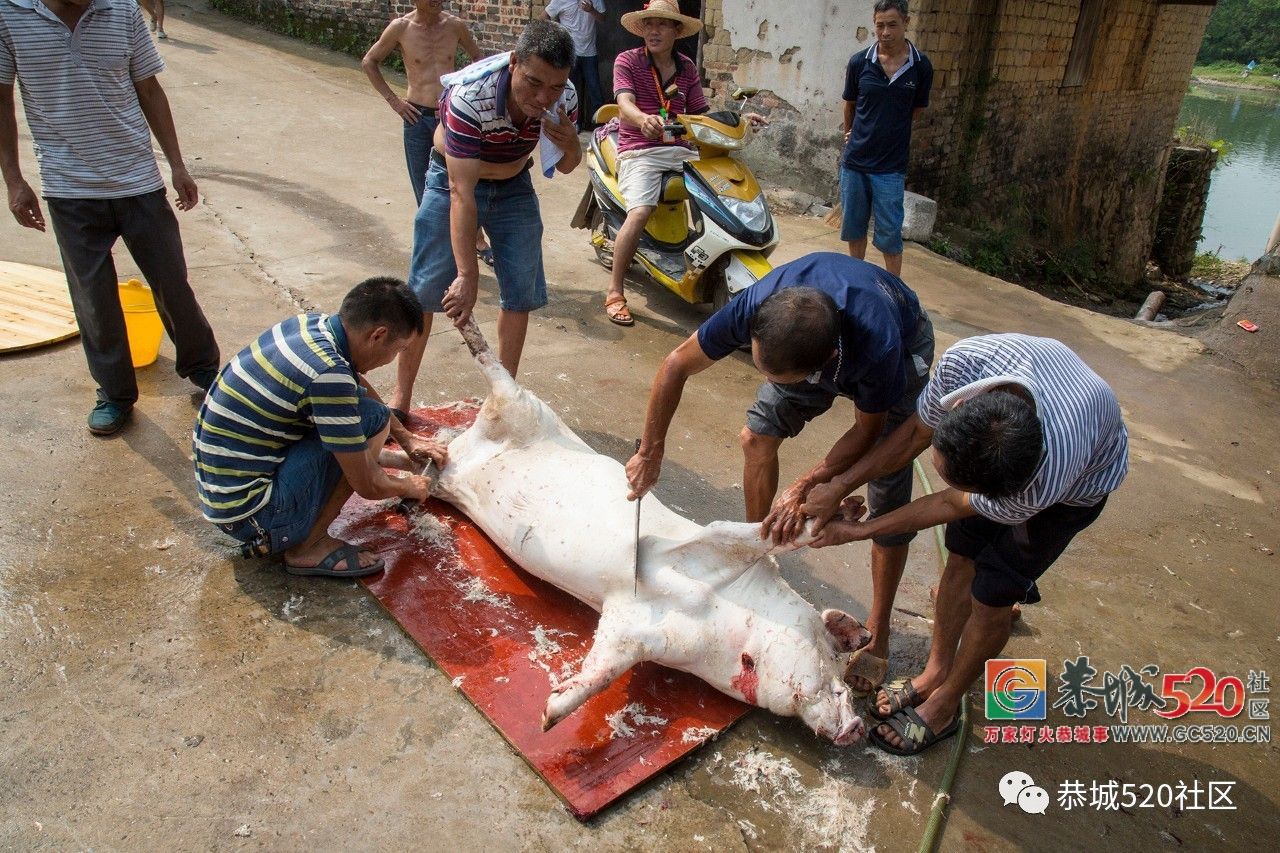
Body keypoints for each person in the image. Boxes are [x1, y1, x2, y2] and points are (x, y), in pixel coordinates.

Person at [798, 334, 1129, 755]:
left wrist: (860, 530)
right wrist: (840, 484)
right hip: (1054, 392)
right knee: (960, 559)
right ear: (958, 409)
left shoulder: (1041, 482)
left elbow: (950, 503)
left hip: (1076, 487)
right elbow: (918, 432)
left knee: (992, 593)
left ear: (1000, 490)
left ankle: (946, 703)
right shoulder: (965, 364)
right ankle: (936, 669)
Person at [626, 252, 935, 691]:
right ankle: (758, 561)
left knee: (887, 484)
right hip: (806, 351)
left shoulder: (878, 344)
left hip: (902, 349)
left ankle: (878, 634)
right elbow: (677, 363)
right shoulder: (760, 306)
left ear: (824, 362)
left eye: (780, 376)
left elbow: (869, 430)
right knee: (757, 436)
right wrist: (651, 451)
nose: (766, 378)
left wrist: (812, 483)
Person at [2, 0, 220, 436]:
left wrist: (176, 164)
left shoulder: (120, 10)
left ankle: (205, 371)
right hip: (69, 188)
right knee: (94, 298)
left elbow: (150, 89)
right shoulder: (9, 15)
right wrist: (14, 180)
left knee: (171, 281)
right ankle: (115, 394)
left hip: (138, 180)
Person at [194, 277, 447, 579]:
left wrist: (405, 439)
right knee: (372, 420)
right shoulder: (329, 375)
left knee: (367, 415)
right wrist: (407, 486)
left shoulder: (312, 327)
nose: (391, 360)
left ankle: (358, 469)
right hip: (254, 516)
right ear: (377, 336)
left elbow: (353, 383)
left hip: (224, 495)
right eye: (398, 350)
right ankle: (308, 547)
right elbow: (368, 486)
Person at [391, 19, 582, 412]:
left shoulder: (564, 97)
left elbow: (566, 167)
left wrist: (572, 145)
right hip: (452, 178)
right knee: (426, 290)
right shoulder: (469, 97)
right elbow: (463, 193)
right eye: (533, 82)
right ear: (513, 62)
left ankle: (503, 398)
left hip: (513, 183)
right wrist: (467, 274)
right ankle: (401, 398)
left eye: (554, 85)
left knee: (520, 291)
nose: (544, 96)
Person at [605, 1, 765, 326]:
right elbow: (624, 103)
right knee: (640, 212)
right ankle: (615, 290)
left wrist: (738, 119)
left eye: (662, 24)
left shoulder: (688, 68)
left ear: (677, 30)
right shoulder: (628, 61)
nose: (654, 30)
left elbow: (700, 115)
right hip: (640, 150)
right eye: (649, 24)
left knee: (717, 185)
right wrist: (642, 119)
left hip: (679, 148)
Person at [361, 0, 494, 268]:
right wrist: (394, 102)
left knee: (465, 184)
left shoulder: (454, 26)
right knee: (427, 193)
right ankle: (441, 257)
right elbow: (370, 62)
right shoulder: (400, 28)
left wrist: (468, 95)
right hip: (417, 119)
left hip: (451, 118)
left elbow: (480, 60)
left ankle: (477, 240)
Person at [840, 0, 932, 278]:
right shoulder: (860, 62)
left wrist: (888, 131)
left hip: (890, 167)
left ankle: (894, 288)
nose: (886, 32)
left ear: (906, 22)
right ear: (874, 23)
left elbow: (915, 110)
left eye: (892, 24)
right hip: (855, 162)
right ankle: (857, 280)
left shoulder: (921, 67)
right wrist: (850, 132)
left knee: (890, 235)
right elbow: (850, 104)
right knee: (854, 228)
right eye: (880, 25)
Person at [543, 0, 604, 132]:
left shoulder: (595, 1)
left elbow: (603, 19)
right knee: (572, 91)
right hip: (570, 54)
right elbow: (544, 16)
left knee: (595, 91)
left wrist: (591, 10)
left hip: (590, 52)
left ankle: (600, 128)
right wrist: (557, 35)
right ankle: (575, 123)